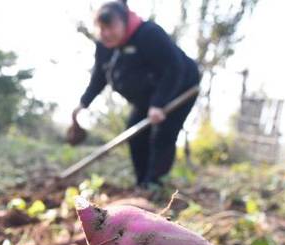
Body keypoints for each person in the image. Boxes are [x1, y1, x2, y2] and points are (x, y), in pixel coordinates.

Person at [73, 1, 200, 188]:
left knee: (163, 135)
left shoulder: (149, 34)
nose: (106, 33)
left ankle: (154, 185)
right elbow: (100, 76)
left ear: (123, 21)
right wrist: (84, 103)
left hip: (180, 88)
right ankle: (142, 183)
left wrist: (159, 103)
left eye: (111, 27)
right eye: (102, 29)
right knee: (135, 134)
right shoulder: (104, 46)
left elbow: (174, 68)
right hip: (146, 97)